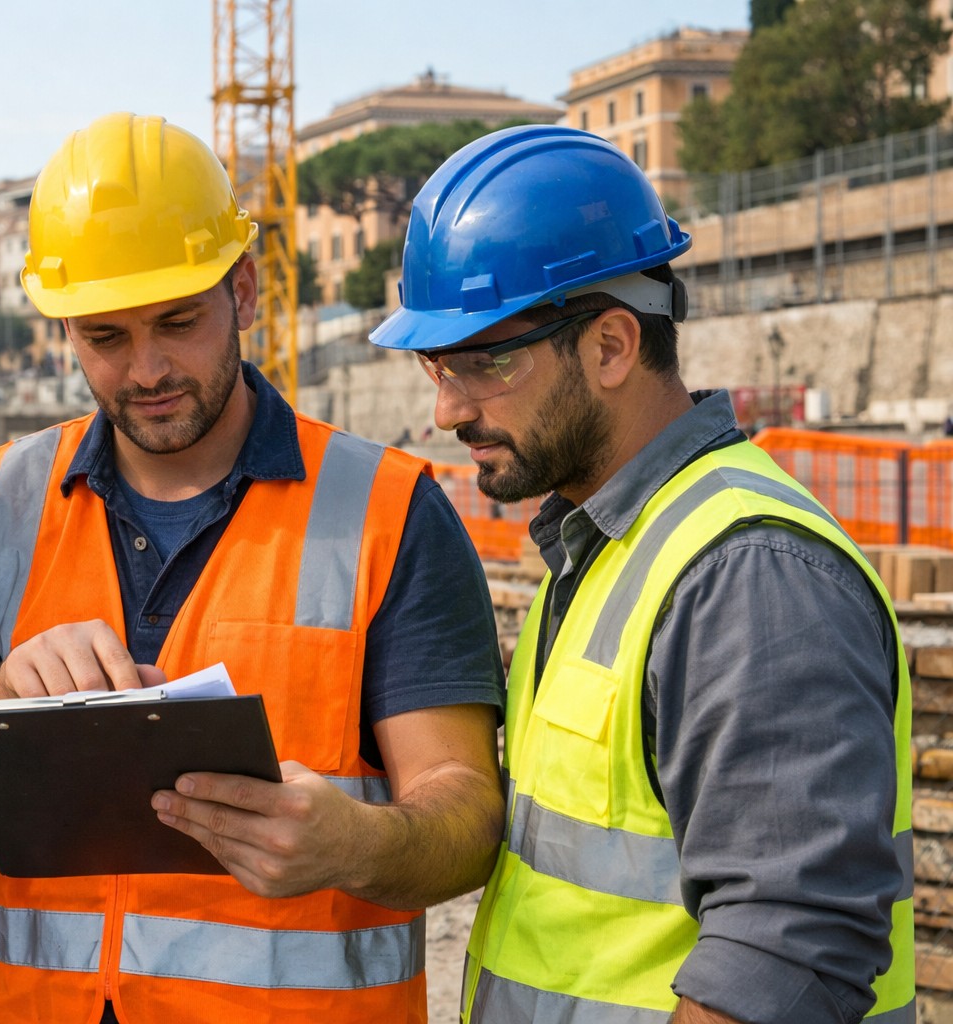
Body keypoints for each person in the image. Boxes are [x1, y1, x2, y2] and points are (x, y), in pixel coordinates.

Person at [0, 112, 507, 1024]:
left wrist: (356, 845)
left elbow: (466, 819)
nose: (149, 368)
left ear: (243, 290)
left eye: (179, 321)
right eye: (105, 337)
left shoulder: (387, 511)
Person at [372, 125, 912, 1024]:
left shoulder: (744, 577)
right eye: (437, 364)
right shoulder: (600, 550)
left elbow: (789, 947)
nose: (446, 409)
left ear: (613, 346)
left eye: (482, 360)